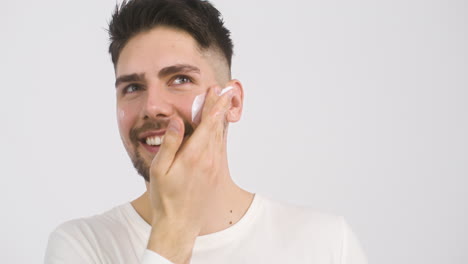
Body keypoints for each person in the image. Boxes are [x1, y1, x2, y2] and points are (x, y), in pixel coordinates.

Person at [44, 0, 368, 263]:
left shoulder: (326, 244)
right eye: (132, 86)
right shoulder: (82, 247)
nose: (152, 106)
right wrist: (173, 230)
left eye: (180, 79)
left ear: (232, 102)